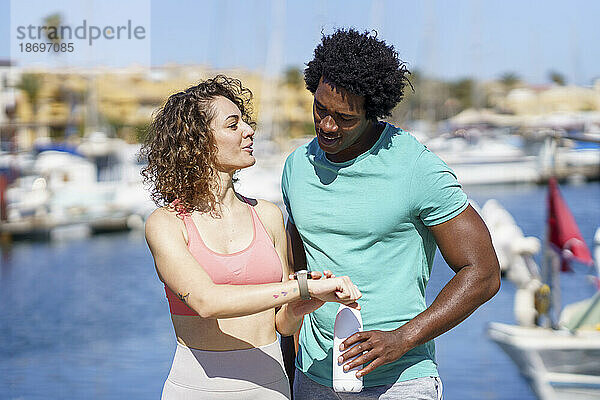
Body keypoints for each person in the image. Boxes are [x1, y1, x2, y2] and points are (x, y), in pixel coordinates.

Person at [281, 29, 501, 399]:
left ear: (373, 112)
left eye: (345, 117)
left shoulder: (415, 167)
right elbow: (295, 277)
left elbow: (483, 272)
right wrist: (288, 374)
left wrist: (403, 338)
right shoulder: (296, 168)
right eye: (320, 109)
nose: (327, 125)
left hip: (400, 381)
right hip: (312, 379)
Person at [140, 75, 362, 400]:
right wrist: (301, 286)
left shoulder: (269, 215)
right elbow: (206, 302)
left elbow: (282, 325)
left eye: (245, 122)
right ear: (197, 141)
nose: (248, 130)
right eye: (233, 125)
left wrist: (303, 304)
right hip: (198, 389)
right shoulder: (166, 224)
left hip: (271, 386)